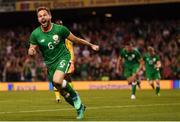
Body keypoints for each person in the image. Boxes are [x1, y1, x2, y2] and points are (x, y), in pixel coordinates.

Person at [28, 6, 99, 120]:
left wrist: (91, 45)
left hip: (63, 58)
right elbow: (31, 50)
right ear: (38, 19)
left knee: (57, 80)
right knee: (62, 91)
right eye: (40, 16)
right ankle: (79, 108)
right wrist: (31, 51)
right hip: (50, 64)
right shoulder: (35, 34)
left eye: (45, 15)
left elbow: (76, 39)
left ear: (50, 16)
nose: (43, 17)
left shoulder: (60, 29)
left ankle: (75, 95)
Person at [53, 19, 75, 103]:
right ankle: (68, 95)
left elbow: (71, 49)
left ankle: (59, 97)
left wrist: (72, 61)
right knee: (62, 78)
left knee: (61, 78)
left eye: (61, 25)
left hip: (64, 59)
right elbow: (71, 49)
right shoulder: (62, 36)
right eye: (59, 25)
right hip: (60, 60)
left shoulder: (66, 36)